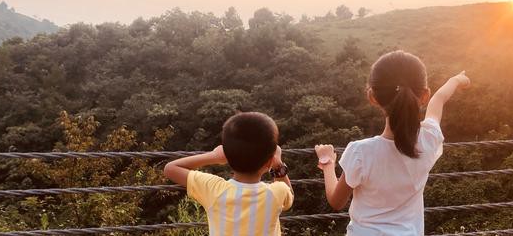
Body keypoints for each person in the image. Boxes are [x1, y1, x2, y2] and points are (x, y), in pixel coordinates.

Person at [315, 50, 470, 235]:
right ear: (424, 95)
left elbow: (336, 201)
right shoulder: (429, 139)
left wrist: (327, 163)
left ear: (372, 97)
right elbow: (439, 99)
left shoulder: (360, 152)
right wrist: (457, 80)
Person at [164, 112, 293, 236]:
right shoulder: (277, 192)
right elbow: (290, 197)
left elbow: (171, 168)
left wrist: (214, 156)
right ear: (269, 161)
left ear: (227, 157)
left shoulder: (214, 189)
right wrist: (278, 165)